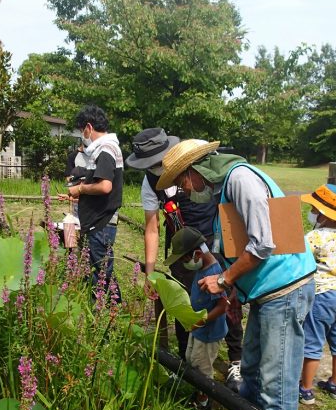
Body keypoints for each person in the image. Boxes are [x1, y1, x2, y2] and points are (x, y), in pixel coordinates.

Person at [156, 140, 316, 410]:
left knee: (276, 385)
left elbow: (263, 244)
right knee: (252, 374)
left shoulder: (240, 179)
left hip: (284, 290)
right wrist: (233, 291)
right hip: (263, 294)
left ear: (195, 170)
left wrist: (225, 279)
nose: (184, 190)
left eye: (182, 182)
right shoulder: (225, 189)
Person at [125, 129, 244, 391]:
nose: (156, 169)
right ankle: (187, 364)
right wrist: (150, 272)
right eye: (150, 165)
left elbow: (228, 193)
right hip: (183, 245)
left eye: (158, 162)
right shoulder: (149, 182)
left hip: (217, 234)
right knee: (184, 301)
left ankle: (236, 360)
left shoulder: (197, 153)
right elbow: (152, 227)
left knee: (228, 298)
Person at [298, 184, 336, 405]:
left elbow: (301, 262)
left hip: (321, 296)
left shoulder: (313, 237)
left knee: (312, 342)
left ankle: (305, 388)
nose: (311, 211)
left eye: (313, 207)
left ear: (322, 213)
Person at [163, 226, 228, 410]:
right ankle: (198, 392)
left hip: (208, 333)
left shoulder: (215, 274)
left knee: (203, 369)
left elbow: (223, 305)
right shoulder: (202, 268)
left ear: (197, 254)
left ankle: (204, 401)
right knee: (192, 359)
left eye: (185, 260)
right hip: (198, 329)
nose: (184, 265)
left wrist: (204, 319)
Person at [68, 105, 123, 302]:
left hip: (102, 224)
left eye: (82, 130)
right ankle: (110, 312)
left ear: (88, 128)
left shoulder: (106, 149)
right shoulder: (102, 149)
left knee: (102, 276)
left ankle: (112, 314)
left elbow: (105, 186)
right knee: (100, 273)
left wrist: (81, 189)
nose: (82, 134)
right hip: (97, 223)